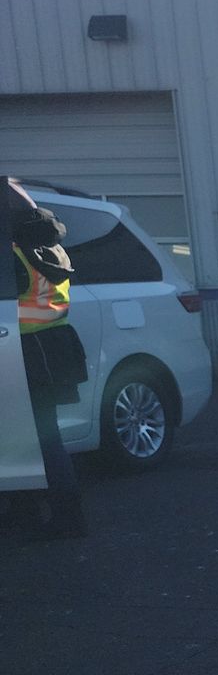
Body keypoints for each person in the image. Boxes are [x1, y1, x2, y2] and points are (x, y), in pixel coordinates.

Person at [7, 178, 87, 538]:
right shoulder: (47, 245)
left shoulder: (14, 253)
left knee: (35, 438)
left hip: (25, 352)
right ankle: (40, 514)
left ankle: (61, 519)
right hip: (55, 346)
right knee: (40, 436)